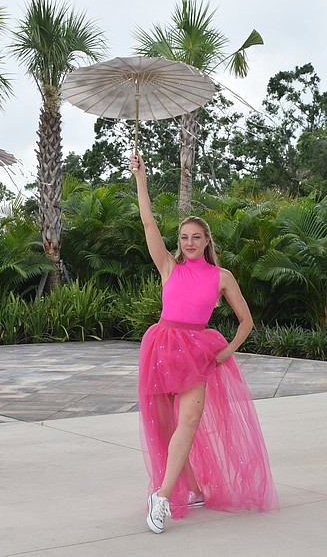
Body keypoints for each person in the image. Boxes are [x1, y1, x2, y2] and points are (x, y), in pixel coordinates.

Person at [129, 153, 278, 534]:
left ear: (207, 240)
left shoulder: (222, 276)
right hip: (162, 346)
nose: (190, 243)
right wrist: (140, 178)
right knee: (165, 427)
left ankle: (161, 498)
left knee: (189, 422)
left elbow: (246, 321)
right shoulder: (168, 266)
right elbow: (147, 221)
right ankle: (192, 489)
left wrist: (226, 351)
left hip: (197, 351)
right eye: (184, 237)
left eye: (197, 237)